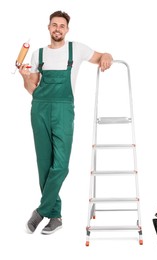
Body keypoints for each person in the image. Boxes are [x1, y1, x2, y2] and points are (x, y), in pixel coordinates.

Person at [19, 10, 113, 235]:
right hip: (39, 108)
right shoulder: (37, 54)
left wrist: (107, 54)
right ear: (49, 28)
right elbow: (32, 88)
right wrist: (24, 76)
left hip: (63, 110)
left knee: (60, 165)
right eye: (54, 25)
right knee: (44, 164)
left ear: (67, 29)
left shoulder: (76, 49)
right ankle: (55, 217)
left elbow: (101, 56)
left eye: (62, 25)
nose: (58, 29)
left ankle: (41, 211)